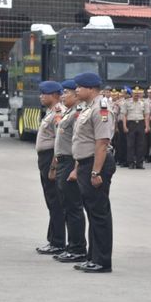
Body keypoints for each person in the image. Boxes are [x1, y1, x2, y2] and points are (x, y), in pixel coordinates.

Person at [71, 72, 116, 273]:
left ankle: (102, 261)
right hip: (87, 164)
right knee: (92, 212)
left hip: (96, 165)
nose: (76, 90)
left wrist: (96, 172)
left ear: (90, 89)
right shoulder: (89, 108)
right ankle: (93, 256)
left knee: (99, 214)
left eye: (79, 87)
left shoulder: (101, 108)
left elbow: (102, 142)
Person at [51, 79, 87, 263]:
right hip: (63, 162)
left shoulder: (77, 114)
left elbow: (78, 142)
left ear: (76, 95)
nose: (63, 96)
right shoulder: (69, 113)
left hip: (71, 162)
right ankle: (71, 246)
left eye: (67, 93)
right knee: (66, 207)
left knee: (74, 208)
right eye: (63, 93)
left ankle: (78, 248)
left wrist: (75, 169)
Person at [35, 81, 66, 255]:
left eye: (44, 93)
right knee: (51, 201)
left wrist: (54, 166)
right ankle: (53, 239)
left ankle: (58, 242)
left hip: (50, 159)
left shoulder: (57, 113)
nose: (41, 96)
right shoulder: (50, 112)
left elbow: (58, 142)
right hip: (45, 158)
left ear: (54, 95)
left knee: (55, 201)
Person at [122, 86, 149, 169]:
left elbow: (146, 115)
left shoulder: (144, 103)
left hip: (140, 123)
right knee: (130, 144)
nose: (136, 95)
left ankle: (139, 163)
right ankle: (130, 162)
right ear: (132, 94)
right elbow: (124, 115)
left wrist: (147, 126)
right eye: (135, 93)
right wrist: (124, 126)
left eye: (138, 93)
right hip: (131, 124)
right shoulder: (126, 103)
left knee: (141, 144)